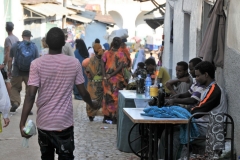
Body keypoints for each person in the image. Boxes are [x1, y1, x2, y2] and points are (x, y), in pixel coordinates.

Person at [19, 27, 98, 160]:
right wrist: (92, 103)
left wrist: (22, 123)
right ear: (64, 44)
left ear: (47, 43)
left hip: (44, 123)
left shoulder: (36, 64)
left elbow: (30, 95)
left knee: (46, 157)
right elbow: (83, 92)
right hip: (64, 124)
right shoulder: (74, 63)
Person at [159, 61, 227, 159]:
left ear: (206, 75)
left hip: (208, 128)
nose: (196, 78)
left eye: (198, 76)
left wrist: (180, 111)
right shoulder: (207, 88)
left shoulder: (214, 90)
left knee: (173, 134)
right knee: (168, 131)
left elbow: (199, 110)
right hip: (201, 124)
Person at [8, 30, 39, 114]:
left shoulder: (15, 45)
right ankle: (27, 109)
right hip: (29, 73)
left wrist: (9, 70)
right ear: (29, 37)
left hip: (17, 71)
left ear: (22, 36)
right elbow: (37, 61)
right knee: (29, 91)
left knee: (15, 87)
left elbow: (10, 59)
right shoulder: (34, 46)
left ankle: (15, 103)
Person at [101, 37, 128, 124]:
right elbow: (120, 67)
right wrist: (111, 75)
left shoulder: (106, 53)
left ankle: (106, 117)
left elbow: (102, 64)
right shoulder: (121, 54)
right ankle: (115, 118)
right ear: (120, 44)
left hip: (106, 80)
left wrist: (105, 76)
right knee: (115, 99)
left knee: (106, 98)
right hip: (116, 80)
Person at [84, 43, 104, 121]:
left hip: (92, 84)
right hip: (102, 83)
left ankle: (91, 115)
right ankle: (104, 114)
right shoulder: (104, 58)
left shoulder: (92, 59)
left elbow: (88, 71)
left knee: (91, 99)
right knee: (101, 100)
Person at [3, 22, 19, 94]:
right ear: (13, 29)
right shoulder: (17, 38)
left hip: (10, 62)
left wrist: (4, 63)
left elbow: (8, 52)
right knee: (13, 81)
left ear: (6, 29)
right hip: (16, 62)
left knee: (7, 81)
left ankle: (9, 99)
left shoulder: (8, 39)